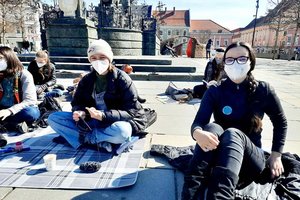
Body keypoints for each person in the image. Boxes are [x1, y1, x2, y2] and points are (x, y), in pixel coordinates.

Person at [181, 42, 287, 199]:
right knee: (211, 127)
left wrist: (276, 155)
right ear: (224, 64)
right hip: (220, 156)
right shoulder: (215, 90)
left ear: (251, 62)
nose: (235, 63)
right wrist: (197, 133)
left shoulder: (263, 90)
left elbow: (280, 122)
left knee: (232, 133)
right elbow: (199, 122)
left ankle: (220, 195)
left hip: (250, 160)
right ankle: (191, 192)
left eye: (242, 59)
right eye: (230, 59)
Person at [47, 39, 147, 152]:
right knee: (53, 118)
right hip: (92, 121)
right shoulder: (86, 80)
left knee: (122, 132)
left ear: (109, 58)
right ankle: (101, 140)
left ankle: (85, 138)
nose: (98, 61)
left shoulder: (122, 79)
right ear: (89, 60)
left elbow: (131, 111)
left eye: (102, 57)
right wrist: (81, 112)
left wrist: (104, 116)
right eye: (93, 58)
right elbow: (77, 102)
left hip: (114, 122)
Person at [0, 46, 40, 140]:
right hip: (2, 108)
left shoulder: (24, 74)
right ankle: (11, 124)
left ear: (9, 58)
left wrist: (9, 111)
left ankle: (6, 123)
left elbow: (30, 100)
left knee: (31, 113)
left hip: (18, 109)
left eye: (1, 58)